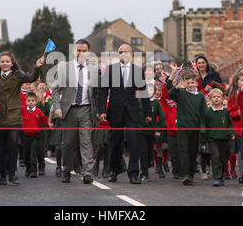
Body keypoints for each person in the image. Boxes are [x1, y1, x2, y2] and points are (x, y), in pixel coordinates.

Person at [99, 44, 152, 184]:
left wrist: (148, 112)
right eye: (120, 52)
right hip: (115, 112)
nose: (123, 54)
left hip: (132, 112)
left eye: (126, 52)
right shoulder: (110, 70)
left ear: (132, 55)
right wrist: (102, 111)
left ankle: (133, 173)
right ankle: (113, 170)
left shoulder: (138, 71)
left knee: (134, 141)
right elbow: (103, 92)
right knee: (115, 142)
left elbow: (143, 92)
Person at [0, 51, 44, 185]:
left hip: (14, 116)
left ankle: (12, 174)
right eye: (2, 61)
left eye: (7, 61)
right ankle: (3, 175)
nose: (5, 63)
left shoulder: (17, 75)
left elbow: (31, 78)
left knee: (13, 145)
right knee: (1, 148)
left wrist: (37, 67)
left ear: (12, 63)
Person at [52, 39, 98, 184]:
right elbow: (55, 90)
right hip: (68, 110)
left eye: (84, 51)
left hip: (86, 109)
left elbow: (97, 93)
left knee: (86, 142)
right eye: (78, 50)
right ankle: (66, 171)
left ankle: (87, 173)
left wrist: (99, 111)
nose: (81, 53)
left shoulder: (94, 70)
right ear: (74, 51)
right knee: (68, 143)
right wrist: (57, 108)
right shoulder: (64, 68)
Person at [166, 62, 207, 186]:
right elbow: (169, 91)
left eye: (192, 82)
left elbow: (203, 113)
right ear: (184, 82)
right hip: (182, 128)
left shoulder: (200, 96)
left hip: (194, 128)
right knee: (183, 152)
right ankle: (185, 176)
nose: (190, 85)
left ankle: (190, 175)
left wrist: (203, 128)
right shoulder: (180, 93)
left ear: (196, 83)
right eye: (187, 82)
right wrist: (176, 84)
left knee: (193, 152)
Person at [201, 88, 235, 187]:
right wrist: (203, 142)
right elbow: (204, 126)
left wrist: (231, 133)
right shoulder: (207, 112)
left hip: (224, 138)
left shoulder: (225, 111)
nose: (216, 99)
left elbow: (229, 124)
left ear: (222, 98)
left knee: (223, 158)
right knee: (215, 157)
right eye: (214, 97)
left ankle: (221, 177)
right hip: (212, 139)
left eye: (218, 97)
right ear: (210, 99)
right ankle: (217, 177)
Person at [137, 82, 166, 181]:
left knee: (150, 153)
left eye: (151, 91)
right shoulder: (139, 100)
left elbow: (162, 118)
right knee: (143, 152)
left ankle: (145, 168)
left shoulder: (156, 103)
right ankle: (144, 173)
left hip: (152, 131)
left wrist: (158, 130)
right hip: (140, 130)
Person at [21, 92, 49, 178]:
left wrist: (49, 125)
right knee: (26, 154)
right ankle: (28, 169)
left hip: (37, 136)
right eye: (29, 101)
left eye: (32, 101)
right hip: (26, 135)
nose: (30, 102)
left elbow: (45, 120)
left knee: (34, 153)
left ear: (36, 102)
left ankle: (34, 170)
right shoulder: (23, 110)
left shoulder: (38, 111)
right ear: (25, 102)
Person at [226, 72, 243, 181]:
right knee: (238, 154)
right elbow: (229, 113)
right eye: (241, 80)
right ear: (236, 82)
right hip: (238, 128)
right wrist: (237, 113)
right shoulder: (232, 95)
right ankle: (241, 174)